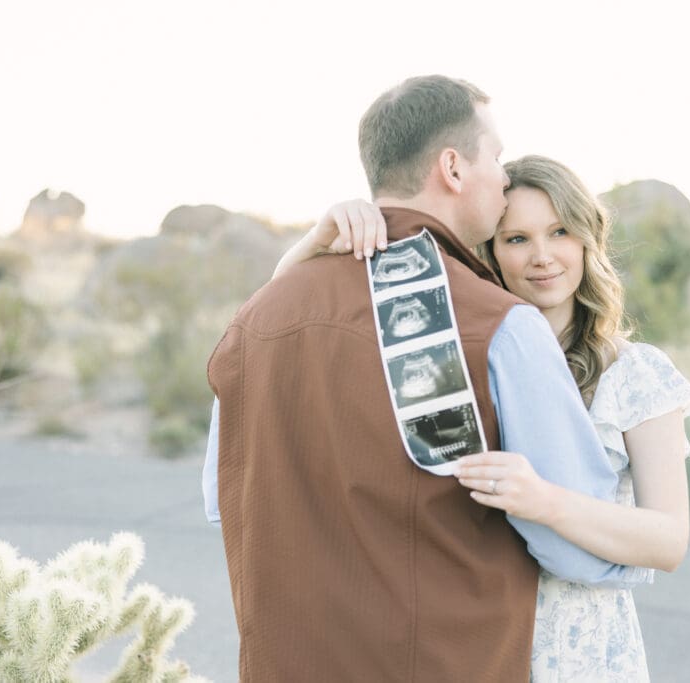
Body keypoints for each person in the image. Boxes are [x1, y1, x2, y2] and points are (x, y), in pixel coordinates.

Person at [203, 76, 647, 682]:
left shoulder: (256, 322)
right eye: (495, 157)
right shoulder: (503, 326)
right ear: (453, 168)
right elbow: (579, 549)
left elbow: (224, 496)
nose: (504, 178)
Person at [276, 155, 690, 681]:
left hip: (580, 652)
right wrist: (313, 244)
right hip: (466, 644)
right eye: (517, 239)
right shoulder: (446, 358)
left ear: (587, 240)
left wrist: (543, 500)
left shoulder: (635, 373)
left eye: (560, 232)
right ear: (491, 253)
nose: (542, 257)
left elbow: (667, 541)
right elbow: (289, 331)